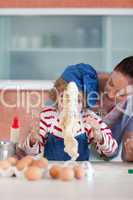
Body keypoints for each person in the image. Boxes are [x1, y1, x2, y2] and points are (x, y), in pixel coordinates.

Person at [22, 63, 118, 161]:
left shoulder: (89, 120)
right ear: (56, 96)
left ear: (85, 104)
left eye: (78, 100)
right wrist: (32, 140)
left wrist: (100, 137)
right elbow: (31, 153)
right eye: (64, 97)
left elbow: (111, 151)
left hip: (79, 171)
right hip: (52, 171)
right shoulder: (47, 116)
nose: (68, 104)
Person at [97, 56, 133, 162]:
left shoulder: (130, 111)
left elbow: (126, 154)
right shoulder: (90, 80)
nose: (111, 95)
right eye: (111, 83)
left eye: (121, 94)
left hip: (96, 165)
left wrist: (130, 152)